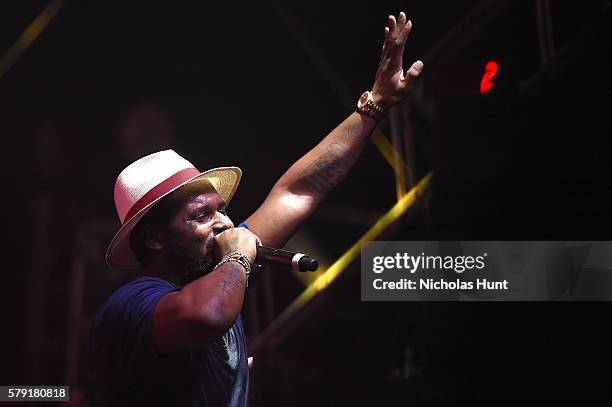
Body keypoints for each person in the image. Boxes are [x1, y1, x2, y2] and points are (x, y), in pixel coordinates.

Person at [90, 11, 423, 407]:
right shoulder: (134, 303)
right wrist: (237, 260)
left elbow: (297, 191)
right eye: (200, 215)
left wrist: (375, 105)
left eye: (222, 209)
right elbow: (208, 315)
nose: (224, 223)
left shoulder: (219, 269)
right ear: (155, 237)